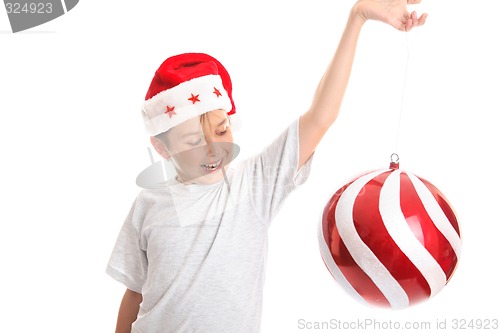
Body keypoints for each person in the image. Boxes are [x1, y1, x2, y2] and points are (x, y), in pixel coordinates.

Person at [106, 1, 427, 332]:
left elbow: (321, 116)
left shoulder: (254, 185)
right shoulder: (148, 205)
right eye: (192, 142)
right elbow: (134, 292)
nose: (213, 148)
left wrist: (357, 17)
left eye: (221, 131)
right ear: (162, 148)